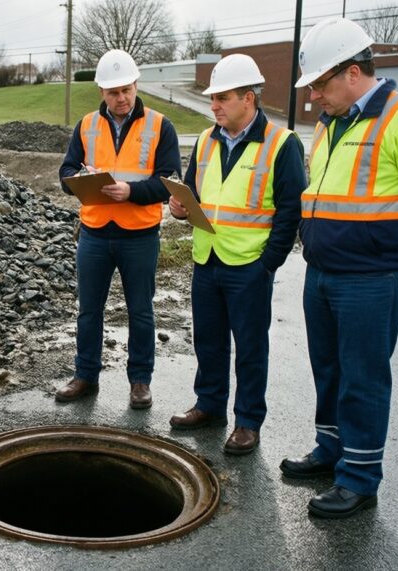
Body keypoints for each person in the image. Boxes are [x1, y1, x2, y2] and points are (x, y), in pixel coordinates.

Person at [281, 17, 398, 518]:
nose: (314, 96)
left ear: (353, 72)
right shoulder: (332, 123)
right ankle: (332, 451)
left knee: (363, 377)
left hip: (369, 278)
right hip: (322, 272)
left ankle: (359, 477)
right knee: (329, 370)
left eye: (319, 83)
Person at [168, 54, 306, 455]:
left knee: (250, 347)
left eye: (222, 98)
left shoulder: (282, 145)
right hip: (206, 259)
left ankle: (248, 421)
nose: (213, 106)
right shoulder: (207, 140)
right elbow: (194, 192)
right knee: (208, 341)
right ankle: (210, 406)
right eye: (212, 99)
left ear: (249, 98)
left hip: (249, 265)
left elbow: (290, 211)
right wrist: (180, 209)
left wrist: (268, 264)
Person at [56, 49, 181, 408]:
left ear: (136, 85)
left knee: (140, 310)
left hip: (139, 235)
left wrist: (132, 191)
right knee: (88, 310)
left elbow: (170, 180)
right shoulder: (86, 125)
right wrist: (79, 180)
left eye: (126, 89)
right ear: (101, 92)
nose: (121, 98)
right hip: (94, 233)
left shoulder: (160, 126)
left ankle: (140, 381)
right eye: (113, 92)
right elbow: (66, 174)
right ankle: (85, 375)